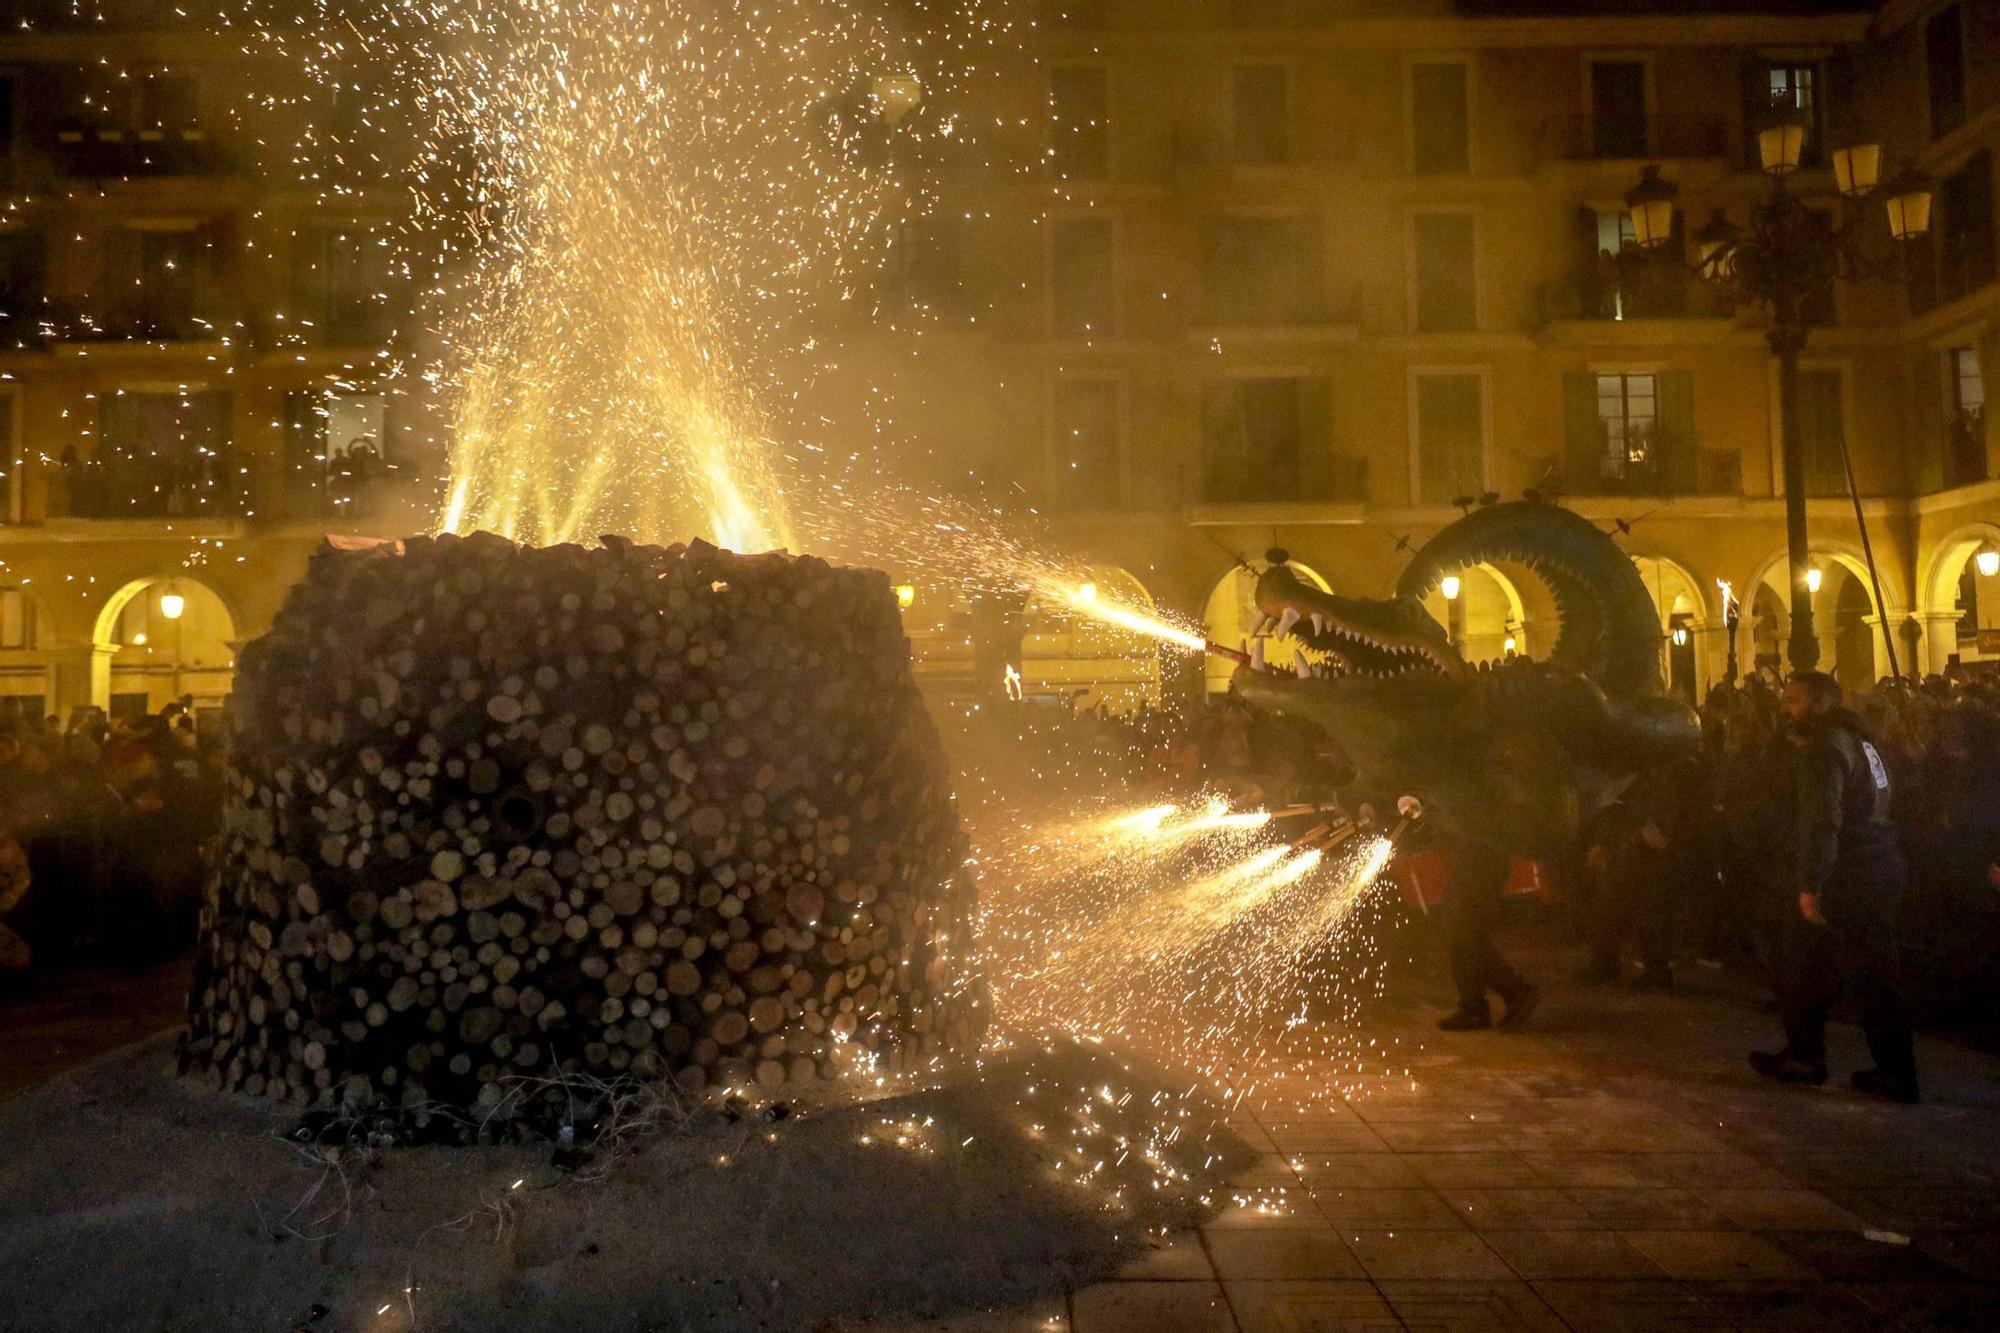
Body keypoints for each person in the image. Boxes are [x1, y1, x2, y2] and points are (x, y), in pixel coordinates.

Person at [1750, 671, 1919, 1103]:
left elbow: (1823, 819)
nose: (1786, 709)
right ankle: (1831, 1057)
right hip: (1875, 864)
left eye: (1795, 700)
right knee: (1832, 969)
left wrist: (1811, 883)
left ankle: (1835, 1063)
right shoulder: (1862, 740)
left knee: (1825, 966)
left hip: (1851, 872)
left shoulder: (1826, 747)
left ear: (1822, 702)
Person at [1436, 832, 1541, 1032]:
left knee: (1465, 932)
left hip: (1483, 859)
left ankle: (1516, 992)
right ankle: (1473, 1006)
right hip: (1474, 856)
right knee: (1461, 933)